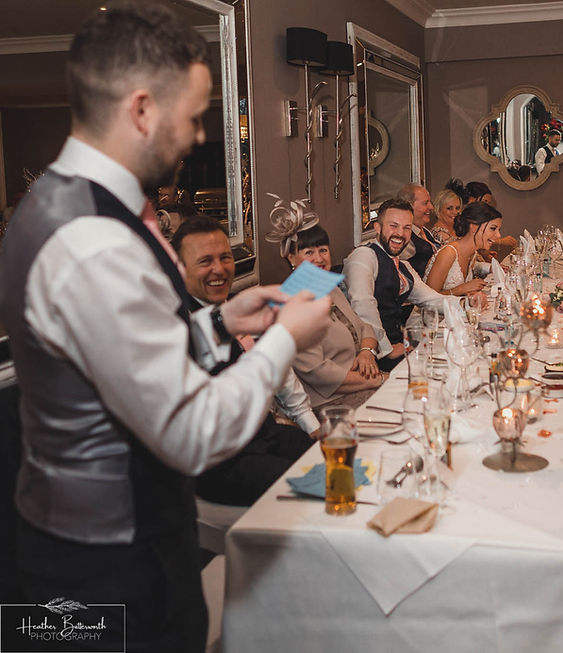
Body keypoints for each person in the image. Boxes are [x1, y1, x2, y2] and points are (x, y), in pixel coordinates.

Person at [0, 4, 332, 651]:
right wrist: (284, 337)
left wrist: (219, 322)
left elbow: (106, 356)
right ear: (143, 111)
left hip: (69, 553)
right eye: (194, 115)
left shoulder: (48, 201)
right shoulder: (97, 242)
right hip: (114, 573)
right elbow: (191, 432)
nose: (200, 135)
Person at [172, 217, 320, 506]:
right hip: (221, 459)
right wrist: (285, 336)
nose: (219, 269)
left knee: (333, 456)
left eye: (225, 257)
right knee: (314, 487)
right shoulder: (173, 322)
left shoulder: (231, 307)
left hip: (262, 433)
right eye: (205, 261)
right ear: (180, 269)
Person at [279, 223, 386, 407]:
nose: (319, 258)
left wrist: (366, 353)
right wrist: (377, 379)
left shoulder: (330, 288)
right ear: (292, 258)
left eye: (323, 250)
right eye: (309, 253)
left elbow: (363, 327)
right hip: (330, 402)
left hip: (362, 385)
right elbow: (318, 373)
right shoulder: (292, 305)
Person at [343, 198, 445, 372]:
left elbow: (432, 299)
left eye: (406, 228)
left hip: (400, 343)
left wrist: (466, 306)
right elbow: (363, 304)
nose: (400, 233)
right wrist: (386, 349)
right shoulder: (364, 256)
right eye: (393, 226)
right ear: (377, 227)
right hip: (370, 354)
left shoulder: (403, 265)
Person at [425, 202, 502, 296]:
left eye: (499, 230)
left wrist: (492, 267)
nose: (498, 235)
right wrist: (462, 289)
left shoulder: (472, 253)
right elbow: (428, 298)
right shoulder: (449, 253)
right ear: (474, 227)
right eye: (493, 228)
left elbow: (476, 267)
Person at [395, 183, 437, 278]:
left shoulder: (424, 231)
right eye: (425, 203)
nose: (431, 207)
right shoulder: (404, 238)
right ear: (409, 206)